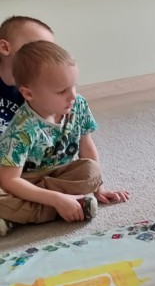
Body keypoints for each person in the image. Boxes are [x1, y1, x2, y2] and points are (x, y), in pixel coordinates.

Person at [0, 40, 130, 236]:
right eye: (62, 91)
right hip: (23, 180)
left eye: (74, 86)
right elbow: (10, 181)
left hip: (59, 175)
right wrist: (57, 199)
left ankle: (19, 218)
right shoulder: (21, 128)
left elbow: (87, 147)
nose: (72, 96)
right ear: (28, 93)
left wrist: (99, 189)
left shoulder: (78, 105)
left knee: (91, 170)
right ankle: (68, 205)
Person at [0, 15, 54, 135]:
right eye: (35, 49)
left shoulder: (40, 88)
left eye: (49, 51)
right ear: (5, 47)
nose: (45, 58)